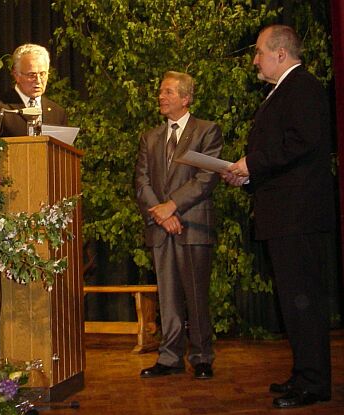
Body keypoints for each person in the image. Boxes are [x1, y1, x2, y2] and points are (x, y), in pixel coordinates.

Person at [222, 25, 334, 408]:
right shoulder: (284, 91)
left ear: (280, 54)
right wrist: (247, 176)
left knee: (304, 301)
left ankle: (315, 382)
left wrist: (251, 163)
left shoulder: (302, 87)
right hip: (285, 214)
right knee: (293, 300)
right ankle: (304, 373)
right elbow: (283, 153)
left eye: (258, 52)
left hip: (298, 216)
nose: (255, 60)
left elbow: (302, 142)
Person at [135, 71, 222, 380]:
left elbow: (206, 177)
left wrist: (173, 207)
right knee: (168, 297)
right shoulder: (150, 136)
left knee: (196, 295)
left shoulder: (206, 131)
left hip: (194, 225)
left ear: (185, 98)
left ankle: (201, 357)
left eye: (168, 92)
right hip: (161, 227)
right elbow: (142, 181)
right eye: (161, 91)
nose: (161, 96)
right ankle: (169, 357)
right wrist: (162, 215)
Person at [0, 43, 67, 137]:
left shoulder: (58, 113)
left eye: (42, 74)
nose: (38, 80)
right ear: (16, 75)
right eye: (32, 75)